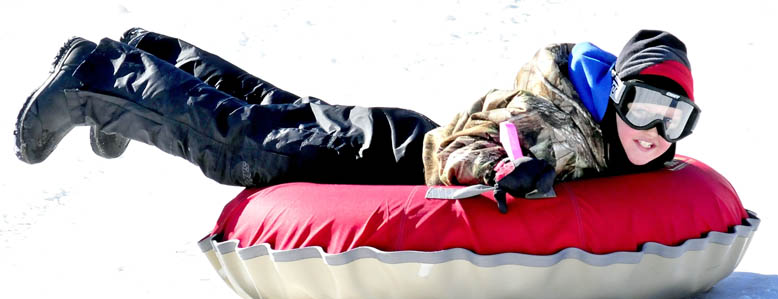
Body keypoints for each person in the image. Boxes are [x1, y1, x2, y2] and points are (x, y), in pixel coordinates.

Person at [15, 28, 699, 212]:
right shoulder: (551, 115)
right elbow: (467, 149)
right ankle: (101, 80)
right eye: (644, 106)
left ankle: (151, 56)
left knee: (263, 107)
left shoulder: (619, 136)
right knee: (239, 145)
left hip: (390, 135)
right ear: (614, 94)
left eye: (675, 118)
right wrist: (503, 170)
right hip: (383, 160)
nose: (654, 131)